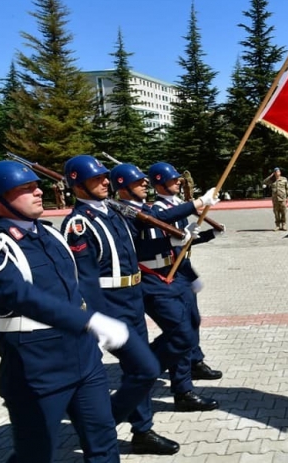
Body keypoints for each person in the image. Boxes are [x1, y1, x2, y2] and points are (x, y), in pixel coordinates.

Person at [0, 160, 128, 462]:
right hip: (36, 367)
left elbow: (82, 286)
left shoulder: (52, 235)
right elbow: (21, 296)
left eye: (36, 186)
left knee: (104, 441)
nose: (38, 192)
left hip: (85, 358)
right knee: (35, 453)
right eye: (25, 189)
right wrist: (89, 320)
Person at [61, 155, 179, 455]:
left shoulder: (114, 211)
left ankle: (141, 430)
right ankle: (106, 425)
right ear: (78, 185)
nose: (105, 181)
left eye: (105, 177)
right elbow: (83, 277)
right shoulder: (78, 223)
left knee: (138, 370)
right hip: (110, 304)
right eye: (96, 178)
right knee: (143, 368)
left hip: (133, 296)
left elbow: (149, 224)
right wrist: (100, 317)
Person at [109, 163, 221, 413]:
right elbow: (155, 223)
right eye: (138, 182)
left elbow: (160, 230)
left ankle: (182, 388)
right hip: (151, 279)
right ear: (123, 189)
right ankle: (145, 374)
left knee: (185, 329)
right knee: (180, 333)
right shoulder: (124, 211)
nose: (144, 184)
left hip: (171, 274)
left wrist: (185, 238)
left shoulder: (144, 208)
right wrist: (198, 203)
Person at [148, 162, 223, 381]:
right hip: (169, 272)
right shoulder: (158, 211)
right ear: (160, 183)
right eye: (173, 179)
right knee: (181, 325)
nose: (178, 182)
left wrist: (209, 235)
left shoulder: (177, 205)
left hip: (183, 268)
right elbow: (171, 241)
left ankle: (194, 360)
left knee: (193, 319)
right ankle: (163, 362)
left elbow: (185, 242)